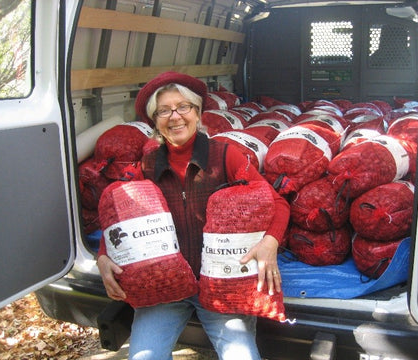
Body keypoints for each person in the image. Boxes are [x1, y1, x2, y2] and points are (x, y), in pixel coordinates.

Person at [96, 71, 291, 360]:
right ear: (155, 121)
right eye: (163, 111)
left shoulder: (226, 155)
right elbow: (119, 219)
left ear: (198, 113)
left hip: (220, 286)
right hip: (166, 290)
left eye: (183, 107)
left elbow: (277, 203)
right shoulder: (147, 165)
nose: (175, 117)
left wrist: (270, 242)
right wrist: (102, 255)